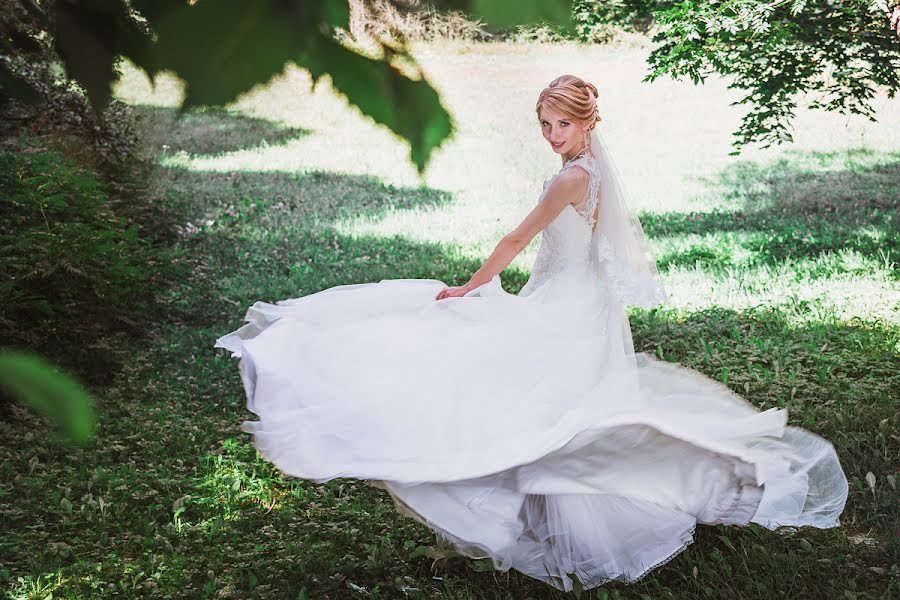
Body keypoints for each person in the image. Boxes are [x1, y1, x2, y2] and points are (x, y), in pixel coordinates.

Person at [215, 75, 848, 591]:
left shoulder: (571, 177)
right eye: (544, 126)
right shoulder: (593, 174)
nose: (552, 136)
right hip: (584, 301)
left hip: (565, 305)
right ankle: (568, 496)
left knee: (511, 389)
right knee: (567, 405)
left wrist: (470, 285)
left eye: (562, 125)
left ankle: (566, 494)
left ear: (587, 123)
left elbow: (517, 238)